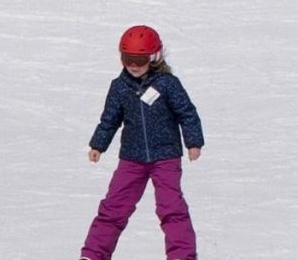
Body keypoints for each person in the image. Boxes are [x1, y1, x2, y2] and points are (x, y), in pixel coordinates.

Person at [79, 26, 204, 260]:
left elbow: (186, 113)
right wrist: (98, 145)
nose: (133, 65)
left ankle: (182, 256)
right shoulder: (119, 87)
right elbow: (109, 119)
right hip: (132, 158)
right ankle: (93, 255)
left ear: (154, 57)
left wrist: (193, 141)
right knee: (113, 207)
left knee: (171, 208)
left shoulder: (167, 84)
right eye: (127, 59)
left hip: (165, 157)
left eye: (139, 59)